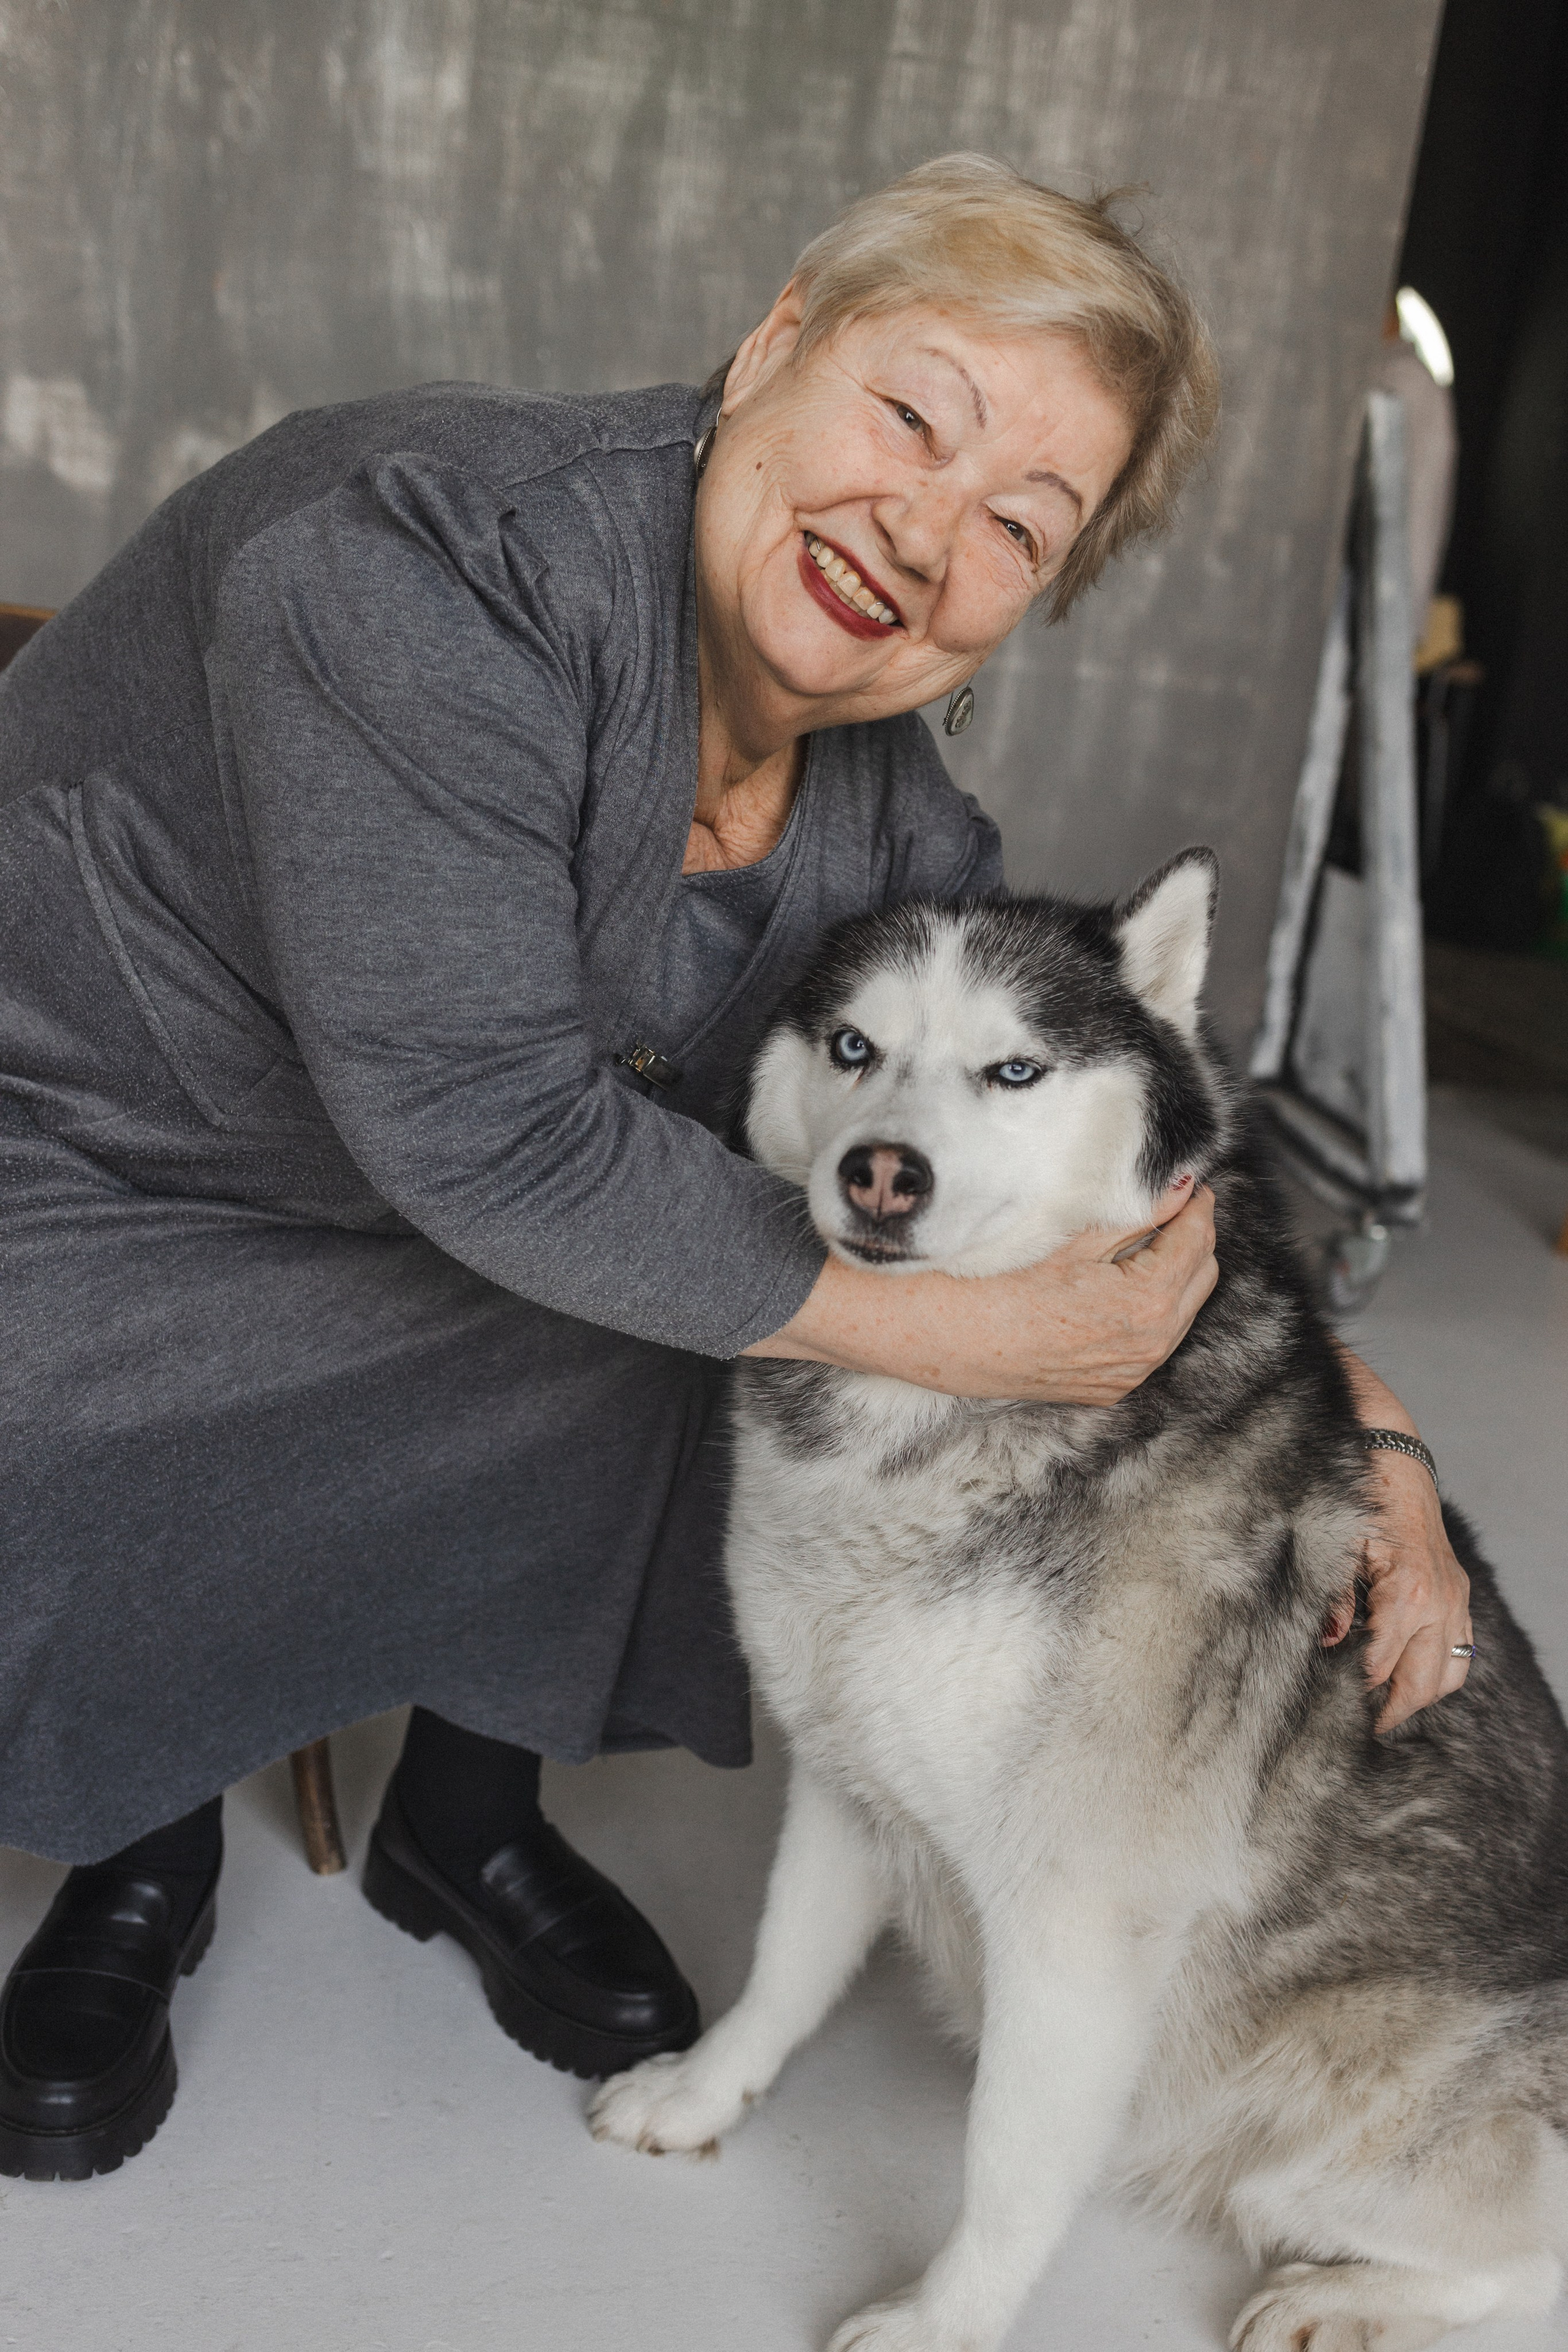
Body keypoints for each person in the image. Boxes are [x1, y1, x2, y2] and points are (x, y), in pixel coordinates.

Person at [0, 155, 1472, 2182]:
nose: (925, 530)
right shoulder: (409, 563)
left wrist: (1374, 1445)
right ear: (776, 342)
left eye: (1017, 526)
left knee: (771, 1244)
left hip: (446, 1213)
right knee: (122, 1347)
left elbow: (1091, 1146)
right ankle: (133, 1838)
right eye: (912, 418)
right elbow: (496, 1136)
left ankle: (472, 1811)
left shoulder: (886, 813)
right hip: (104, 1168)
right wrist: (981, 1347)